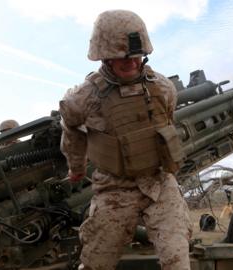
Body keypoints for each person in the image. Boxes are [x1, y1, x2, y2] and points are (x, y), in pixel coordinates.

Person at [59, 9, 192, 270]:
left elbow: (167, 121)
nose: (130, 61)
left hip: (160, 184)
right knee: (95, 263)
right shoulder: (82, 98)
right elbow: (71, 128)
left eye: (135, 54)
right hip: (115, 188)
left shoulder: (163, 88)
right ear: (104, 56)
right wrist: (76, 167)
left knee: (178, 260)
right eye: (121, 57)